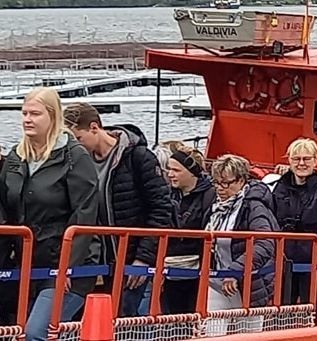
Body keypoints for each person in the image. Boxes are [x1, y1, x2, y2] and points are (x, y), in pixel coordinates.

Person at [0, 88, 101, 341]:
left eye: (35, 113)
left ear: (53, 116)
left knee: (37, 332)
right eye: (24, 113)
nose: (27, 119)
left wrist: (67, 266)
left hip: (68, 261)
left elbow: (85, 214)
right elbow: (4, 207)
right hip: (25, 260)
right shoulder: (16, 156)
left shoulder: (75, 157)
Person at [63, 102, 173, 317]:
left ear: (94, 128)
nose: (76, 146)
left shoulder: (138, 157)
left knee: (131, 319)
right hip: (99, 260)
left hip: (133, 255)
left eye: (78, 139)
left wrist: (144, 257)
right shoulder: (78, 162)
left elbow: (161, 209)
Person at [204, 154, 278, 336]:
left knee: (247, 335)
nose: (220, 189)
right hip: (217, 282)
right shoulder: (215, 207)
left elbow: (265, 243)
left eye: (226, 183)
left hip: (249, 283)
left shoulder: (255, 207)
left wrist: (236, 270)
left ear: (242, 180)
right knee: (212, 334)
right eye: (216, 183)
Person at [271, 138, 317, 304]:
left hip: (313, 262)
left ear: (315, 161)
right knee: (280, 311)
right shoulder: (279, 188)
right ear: (289, 161)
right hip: (283, 261)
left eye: (306, 158)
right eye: (296, 159)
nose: (301, 163)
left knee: (311, 310)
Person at [162, 149, 216, 314]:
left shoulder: (209, 196)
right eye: (169, 169)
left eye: (176, 170)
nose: (170, 174)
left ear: (192, 172)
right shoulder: (168, 195)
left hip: (197, 268)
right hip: (168, 266)